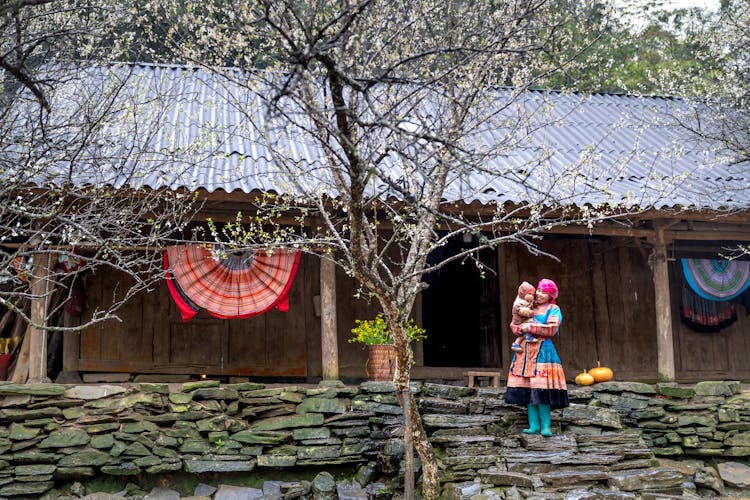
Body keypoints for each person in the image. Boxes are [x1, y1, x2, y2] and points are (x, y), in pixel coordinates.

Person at [504, 278, 569, 437]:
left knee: (542, 389)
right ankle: (533, 426)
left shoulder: (553, 309)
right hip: (525, 350)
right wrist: (519, 328)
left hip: (543, 350)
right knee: (528, 390)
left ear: (551, 295)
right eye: (539, 290)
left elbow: (552, 329)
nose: (540, 294)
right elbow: (515, 324)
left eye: (544, 292)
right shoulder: (528, 306)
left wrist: (530, 327)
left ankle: (545, 426)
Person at [510, 281, 537, 353]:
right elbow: (522, 311)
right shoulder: (519, 303)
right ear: (522, 294)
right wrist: (531, 313)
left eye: (533, 294)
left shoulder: (526, 301)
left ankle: (516, 344)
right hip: (519, 321)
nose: (531, 296)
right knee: (531, 323)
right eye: (529, 294)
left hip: (523, 320)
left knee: (522, 336)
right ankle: (528, 336)